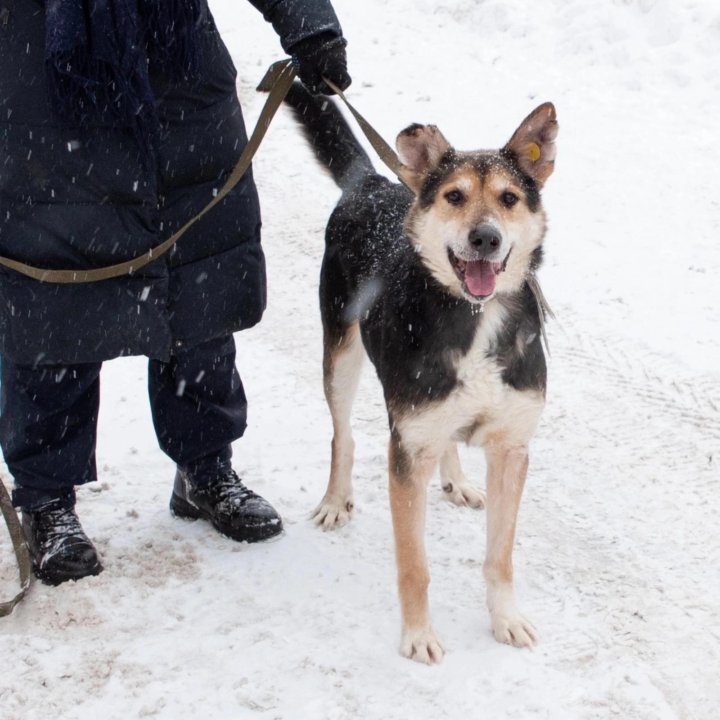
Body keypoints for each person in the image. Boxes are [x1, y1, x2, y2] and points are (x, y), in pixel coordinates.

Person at [0, 0, 351, 585]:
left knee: (196, 292)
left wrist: (310, 26)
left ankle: (205, 467)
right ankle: (47, 499)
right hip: (47, 90)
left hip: (180, 81)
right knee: (53, 313)